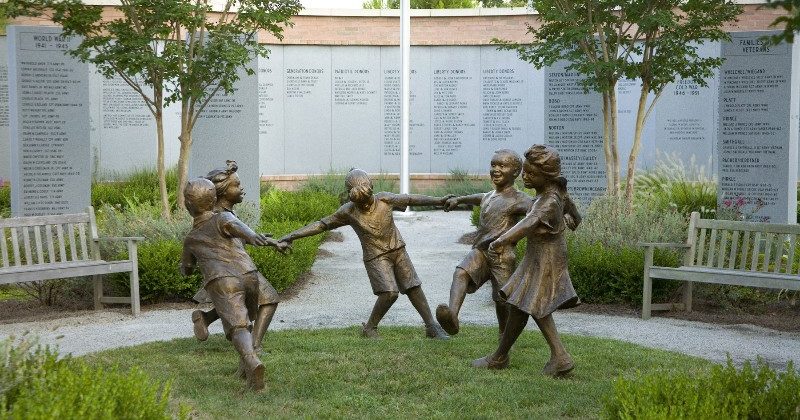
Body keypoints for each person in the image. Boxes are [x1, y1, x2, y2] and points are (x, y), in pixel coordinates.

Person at [279, 168, 450, 340]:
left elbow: (411, 198)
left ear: (372, 189)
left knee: (413, 286)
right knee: (389, 293)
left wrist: (439, 201)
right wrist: (291, 236)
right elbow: (322, 224)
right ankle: (369, 328)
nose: (366, 207)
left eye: (368, 202)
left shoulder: (385, 199)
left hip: (398, 249)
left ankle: (431, 327)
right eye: (361, 205)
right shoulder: (348, 211)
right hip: (376, 256)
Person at [436, 149, 580, 338]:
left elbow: (546, 210)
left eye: (502, 166)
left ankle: (504, 336)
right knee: (461, 272)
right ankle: (452, 317)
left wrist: (567, 214)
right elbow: (478, 197)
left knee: (502, 299)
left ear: (515, 172)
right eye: (493, 165)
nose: (495, 169)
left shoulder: (520, 199)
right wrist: (459, 199)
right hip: (481, 251)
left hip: (502, 255)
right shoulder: (489, 195)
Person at [472, 145, 580, 377]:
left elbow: (528, 223)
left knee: (525, 304)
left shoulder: (548, 201)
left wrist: (500, 240)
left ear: (547, 176)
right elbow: (575, 214)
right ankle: (554, 357)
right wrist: (570, 216)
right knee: (523, 304)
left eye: (531, 173)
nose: (525, 176)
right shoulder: (555, 194)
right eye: (525, 171)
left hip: (545, 259)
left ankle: (503, 358)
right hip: (540, 257)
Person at [181, 177, 288, 391]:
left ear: (188, 206)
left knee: (239, 326)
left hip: (223, 281)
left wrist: (187, 267)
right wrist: (254, 237)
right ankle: (246, 363)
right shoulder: (222, 218)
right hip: (249, 275)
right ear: (213, 201)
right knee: (246, 322)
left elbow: (186, 269)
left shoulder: (191, 239)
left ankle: (251, 361)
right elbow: (236, 226)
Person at [190, 161, 280, 354]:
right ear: (222, 191)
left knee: (242, 304)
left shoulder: (224, 213)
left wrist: (268, 240)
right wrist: (256, 237)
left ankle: (205, 318)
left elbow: (238, 237)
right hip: (236, 270)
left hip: (232, 271)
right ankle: (253, 347)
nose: (241, 188)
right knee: (269, 299)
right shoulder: (221, 216)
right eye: (236, 185)